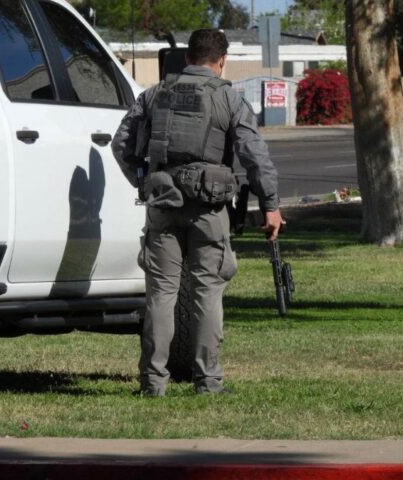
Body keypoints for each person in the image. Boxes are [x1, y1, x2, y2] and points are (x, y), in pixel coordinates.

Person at [112, 29, 283, 396]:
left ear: (187, 58)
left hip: (163, 205)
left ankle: (153, 382)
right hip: (210, 209)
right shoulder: (229, 100)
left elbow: (121, 143)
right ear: (222, 62)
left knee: (161, 294)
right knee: (207, 293)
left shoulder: (154, 94)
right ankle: (208, 382)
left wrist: (143, 183)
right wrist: (270, 206)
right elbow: (256, 157)